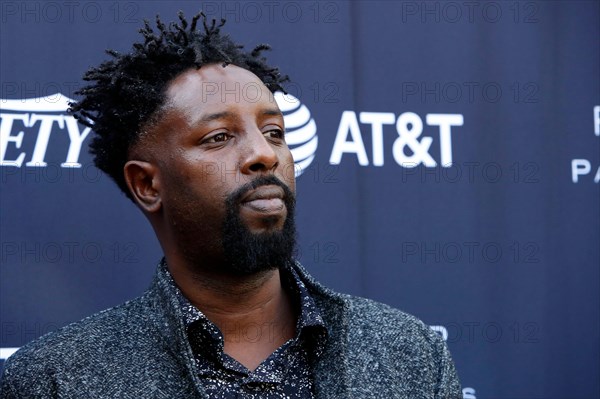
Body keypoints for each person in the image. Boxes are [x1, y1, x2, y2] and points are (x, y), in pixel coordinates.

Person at [0, 11, 462, 398]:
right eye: (219, 137)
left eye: (275, 132)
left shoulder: (407, 353)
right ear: (146, 184)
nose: (265, 154)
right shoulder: (56, 380)